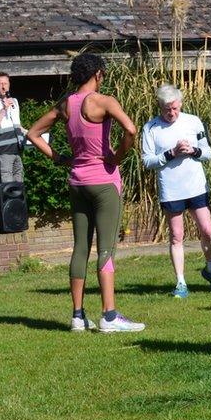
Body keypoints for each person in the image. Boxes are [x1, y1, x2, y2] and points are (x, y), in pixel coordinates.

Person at [26, 53, 144, 332]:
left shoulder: (66, 104)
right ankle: (110, 316)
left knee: (80, 247)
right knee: (106, 249)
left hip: (77, 181)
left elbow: (32, 133)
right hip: (104, 183)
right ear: (98, 74)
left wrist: (61, 159)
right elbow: (131, 129)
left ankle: (78, 316)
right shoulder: (104, 102)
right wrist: (117, 157)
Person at [141, 84, 211, 298]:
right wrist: (170, 153)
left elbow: (208, 152)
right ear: (160, 107)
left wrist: (194, 150)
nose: (172, 113)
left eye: (175, 108)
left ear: (180, 105)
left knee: (207, 229)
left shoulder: (193, 121)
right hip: (171, 189)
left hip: (196, 186)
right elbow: (147, 160)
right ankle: (181, 282)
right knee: (177, 235)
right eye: (167, 109)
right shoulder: (151, 128)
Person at [0, 72, 26, 186]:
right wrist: (4, 109)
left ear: (9, 84)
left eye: (6, 83)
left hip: (17, 151)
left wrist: (33, 134)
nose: (3, 87)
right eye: (0, 84)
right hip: (3, 152)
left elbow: (18, 126)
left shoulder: (14, 102)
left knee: (19, 189)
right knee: (7, 189)